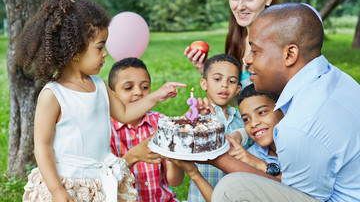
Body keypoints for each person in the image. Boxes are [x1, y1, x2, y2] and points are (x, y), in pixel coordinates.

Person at [15, 0, 187, 202]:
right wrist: (57, 190)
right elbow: (42, 146)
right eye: (100, 47)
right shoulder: (53, 95)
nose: (105, 53)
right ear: (75, 50)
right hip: (67, 182)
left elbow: (124, 113)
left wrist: (157, 95)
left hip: (98, 182)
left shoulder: (98, 85)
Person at [210, 3, 360, 201]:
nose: (247, 59)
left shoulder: (299, 126)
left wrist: (220, 159)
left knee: (230, 190)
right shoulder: (337, 78)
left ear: (289, 54)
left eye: (255, 51)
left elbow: (297, 196)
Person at [184, 0, 279, 89]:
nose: (239, 6)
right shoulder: (237, 39)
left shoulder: (278, 42)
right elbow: (237, 100)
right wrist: (205, 70)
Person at [108, 57, 184, 201]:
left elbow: (175, 181)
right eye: (128, 87)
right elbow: (107, 183)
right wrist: (133, 156)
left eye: (144, 87)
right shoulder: (107, 129)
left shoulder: (160, 122)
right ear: (112, 95)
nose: (138, 92)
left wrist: (175, 155)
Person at [187, 53, 248, 202]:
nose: (224, 85)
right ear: (204, 83)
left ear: (238, 89)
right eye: (217, 79)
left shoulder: (243, 120)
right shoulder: (195, 119)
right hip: (199, 198)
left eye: (231, 81)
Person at [227, 83, 283, 179]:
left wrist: (261, 166)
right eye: (246, 119)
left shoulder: (304, 143)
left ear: (282, 110)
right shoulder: (251, 155)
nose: (253, 124)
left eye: (261, 112)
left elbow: (304, 191)